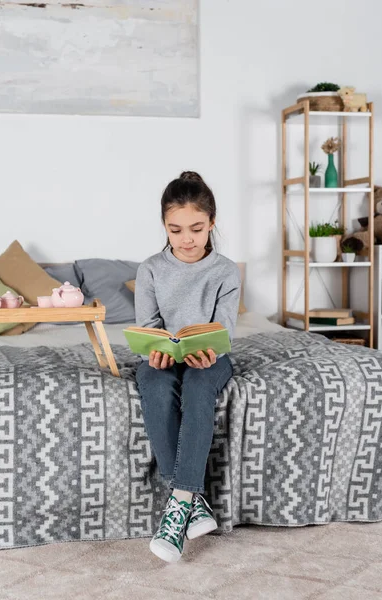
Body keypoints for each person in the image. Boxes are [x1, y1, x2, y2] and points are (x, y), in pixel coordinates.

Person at [135, 171, 241, 563]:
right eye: (175, 229)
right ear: (164, 225)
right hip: (163, 354)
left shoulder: (226, 271)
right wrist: (155, 351)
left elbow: (224, 329)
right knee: (154, 383)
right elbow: (148, 327)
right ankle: (195, 503)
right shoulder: (149, 269)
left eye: (196, 228)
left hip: (211, 356)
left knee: (198, 386)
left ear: (212, 222)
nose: (186, 238)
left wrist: (207, 349)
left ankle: (178, 502)